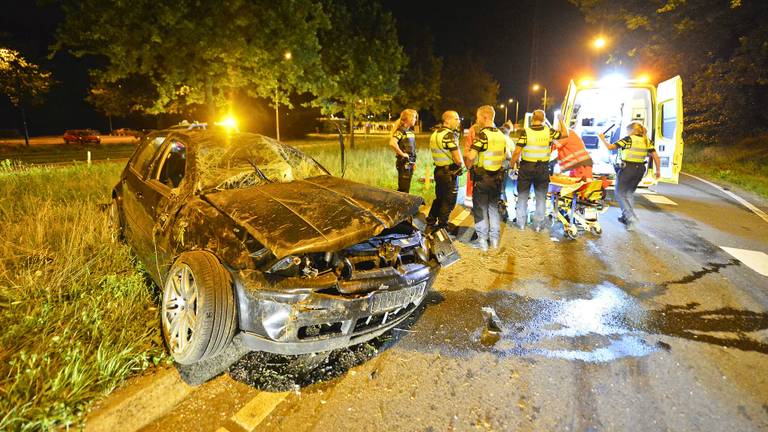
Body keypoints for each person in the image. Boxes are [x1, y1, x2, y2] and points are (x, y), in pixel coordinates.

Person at [511, 109, 568, 231]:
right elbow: (565, 133)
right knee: (541, 197)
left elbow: (517, 151)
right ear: (543, 119)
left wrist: (512, 165)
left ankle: (521, 223)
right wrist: (561, 120)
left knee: (522, 196)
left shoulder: (526, 132)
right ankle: (537, 225)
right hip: (542, 168)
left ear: (533, 119)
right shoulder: (549, 132)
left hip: (526, 168)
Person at [465, 105, 512, 251]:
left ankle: (483, 242)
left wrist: (468, 164)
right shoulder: (501, 135)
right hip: (497, 179)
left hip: (482, 178)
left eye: (478, 117)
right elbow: (508, 156)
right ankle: (495, 240)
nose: (477, 120)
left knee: (480, 209)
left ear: (484, 117)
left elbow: (472, 156)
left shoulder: (482, 135)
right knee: (493, 209)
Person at [598, 121, 661, 230]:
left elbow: (610, 147)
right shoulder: (647, 141)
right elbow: (656, 156)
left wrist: (602, 138)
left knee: (620, 193)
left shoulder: (628, 139)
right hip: (640, 169)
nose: (627, 132)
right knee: (628, 193)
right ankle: (626, 217)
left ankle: (631, 217)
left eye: (628, 130)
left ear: (632, 130)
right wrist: (658, 170)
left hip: (628, 169)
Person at [427, 111, 464, 233]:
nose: (458, 121)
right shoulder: (449, 135)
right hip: (449, 173)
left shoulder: (435, 133)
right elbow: (458, 159)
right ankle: (443, 226)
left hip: (438, 171)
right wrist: (462, 165)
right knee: (448, 201)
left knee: (439, 198)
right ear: (447, 120)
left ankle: (431, 221)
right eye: (456, 119)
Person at [389, 109, 419, 193]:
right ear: (408, 119)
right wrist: (402, 154)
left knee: (406, 188)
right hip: (404, 163)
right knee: (403, 190)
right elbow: (392, 143)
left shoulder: (410, 132)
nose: (415, 120)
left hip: (410, 163)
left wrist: (413, 162)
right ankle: (397, 205)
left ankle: (402, 205)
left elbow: (411, 149)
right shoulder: (400, 131)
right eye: (414, 117)